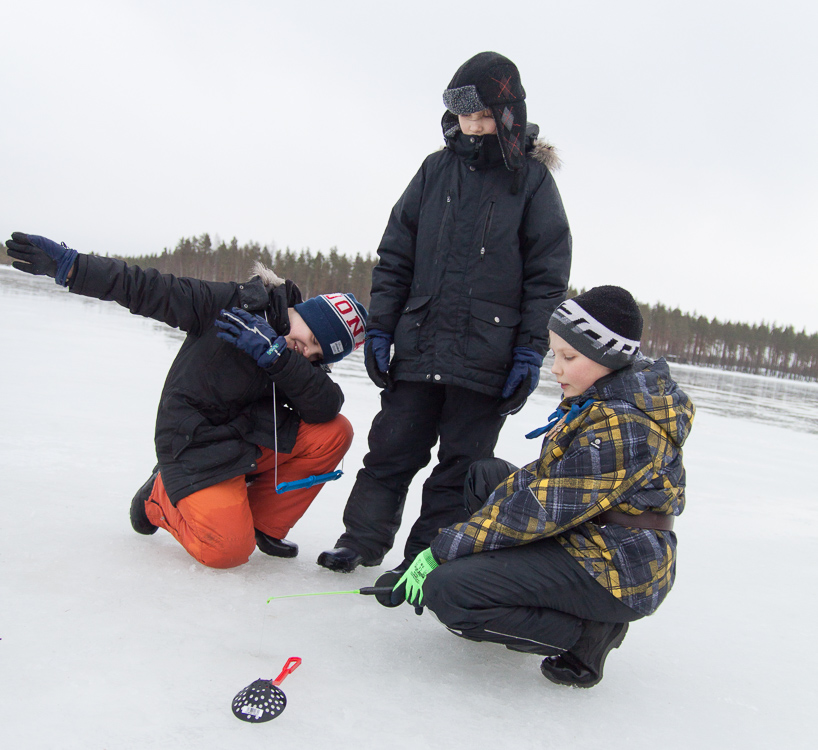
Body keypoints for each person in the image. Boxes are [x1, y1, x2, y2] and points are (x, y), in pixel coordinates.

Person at [318, 51, 572, 575]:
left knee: (461, 467)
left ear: (508, 115)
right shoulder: (434, 171)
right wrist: (382, 328)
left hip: (487, 357)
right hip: (421, 343)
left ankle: (422, 561)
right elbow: (396, 256)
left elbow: (547, 278)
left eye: (482, 116)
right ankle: (360, 541)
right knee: (390, 450)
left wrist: (529, 351)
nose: (472, 127)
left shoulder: (532, 183)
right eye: (464, 116)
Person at [390, 286, 695, 687]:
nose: (556, 369)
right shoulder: (603, 400)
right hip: (592, 534)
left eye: (569, 357)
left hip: (619, 569)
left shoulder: (624, 425)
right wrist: (458, 546)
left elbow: (542, 509)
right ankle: (505, 583)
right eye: (555, 355)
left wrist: (441, 552)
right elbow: (539, 481)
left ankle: (586, 636)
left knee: (449, 591)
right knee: (488, 477)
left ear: (607, 358)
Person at [5, 231, 367, 569]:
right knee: (227, 551)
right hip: (194, 443)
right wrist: (73, 267)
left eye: (319, 354)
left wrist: (276, 357)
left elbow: (325, 405)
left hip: (244, 440)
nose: (308, 351)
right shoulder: (231, 303)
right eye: (314, 337)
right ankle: (157, 497)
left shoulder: (292, 357)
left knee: (335, 431)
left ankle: (264, 524)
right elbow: (147, 288)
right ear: (305, 312)